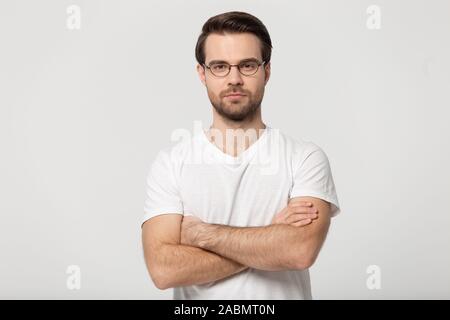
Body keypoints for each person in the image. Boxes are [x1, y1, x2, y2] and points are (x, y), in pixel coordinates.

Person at [141, 11, 341, 299]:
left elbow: (299, 251)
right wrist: (270, 239)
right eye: (220, 66)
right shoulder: (172, 163)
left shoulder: (305, 157)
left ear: (267, 71)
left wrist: (201, 235)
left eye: (247, 65)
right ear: (202, 74)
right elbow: (163, 270)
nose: (234, 79)